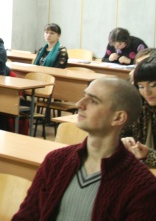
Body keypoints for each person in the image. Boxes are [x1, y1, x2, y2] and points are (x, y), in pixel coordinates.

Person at [13, 77, 156, 220]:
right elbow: (26, 216)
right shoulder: (56, 160)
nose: (79, 104)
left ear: (118, 118)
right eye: (84, 96)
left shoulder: (142, 185)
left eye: (93, 101)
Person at [121, 53, 156, 168]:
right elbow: (120, 133)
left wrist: (148, 155)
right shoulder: (139, 107)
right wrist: (124, 141)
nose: (147, 92)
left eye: (153, 85)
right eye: (141, 86)